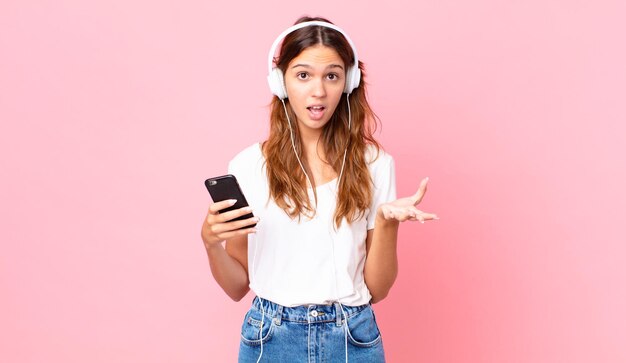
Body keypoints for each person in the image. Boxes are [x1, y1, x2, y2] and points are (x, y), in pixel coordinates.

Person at [201, 16, 438, 363]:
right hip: (270, 336)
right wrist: (210, 243)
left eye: (332, 75)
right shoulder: (248, 166)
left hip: (352, 336)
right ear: (280, 82)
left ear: (349, 81)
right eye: (303, 75)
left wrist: (387, 222)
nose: (318, 90)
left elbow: (378, 289)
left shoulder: (375, 164)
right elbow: (237, 286)